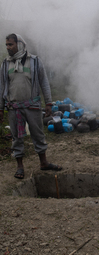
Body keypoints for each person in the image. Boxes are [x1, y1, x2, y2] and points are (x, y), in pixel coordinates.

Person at [0, 33, 62, 179]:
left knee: (38, 134)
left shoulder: (34, 61)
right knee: (17, 138)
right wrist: (1, 108)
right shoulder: (5, 64)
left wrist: (48, 102)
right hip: (14, 107)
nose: (8, 47)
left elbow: (44, 82)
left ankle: (44, 162)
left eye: (11, 44)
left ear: (19, 44)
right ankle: (20, 167)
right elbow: (1, 86)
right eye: (7, 45)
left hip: (32, 105)